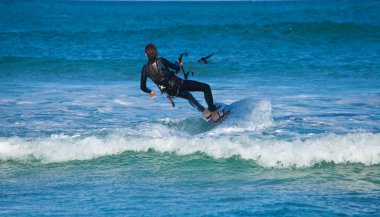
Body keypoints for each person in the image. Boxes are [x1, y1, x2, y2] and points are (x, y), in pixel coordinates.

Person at [140, 43, 228, 122]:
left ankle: (206, 113)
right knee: (206, 87)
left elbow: (142, 87)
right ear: (156, 52)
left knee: (189, 96)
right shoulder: (161, 60)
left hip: (170, 92)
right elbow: (176, 68)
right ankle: (214, 113)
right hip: (178, 85)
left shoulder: (145, 69)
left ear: (146, 54)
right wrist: (178, 63)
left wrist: (150, 91)